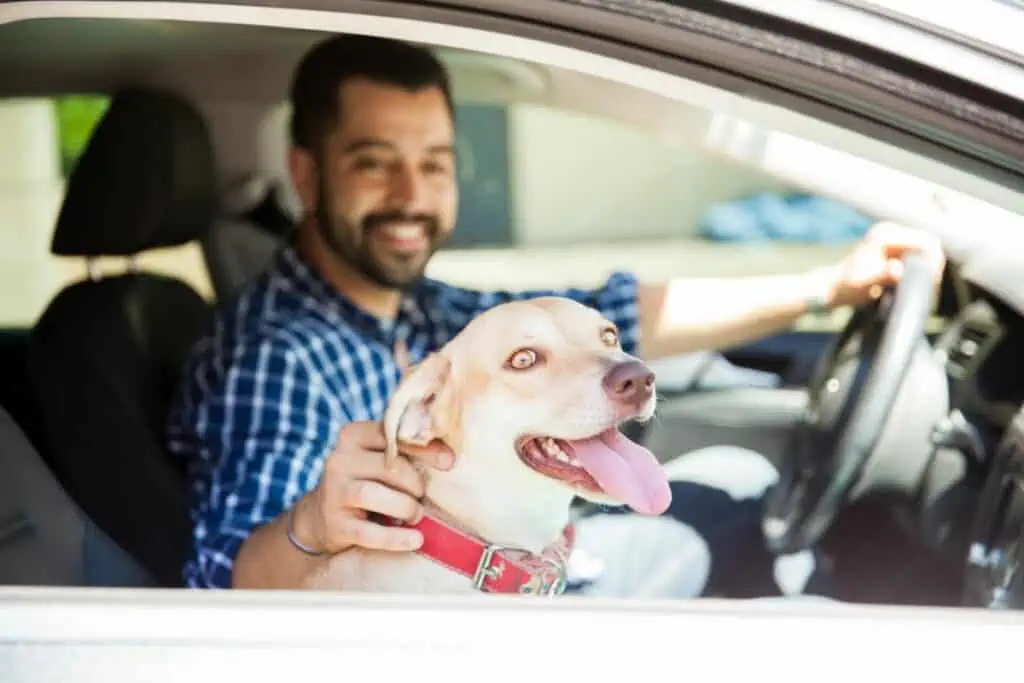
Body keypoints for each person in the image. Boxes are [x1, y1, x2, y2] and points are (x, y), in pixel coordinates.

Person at [165, 34, 944, 596]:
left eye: (433, 164)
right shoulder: (277, 354)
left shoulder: (419, 303)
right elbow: (225, 580)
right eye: (374, 162)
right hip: (444, 620)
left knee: (738, 480)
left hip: (514, 575)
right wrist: (311, 523)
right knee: (753, 532)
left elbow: (614, 316)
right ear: (307, 172)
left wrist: (822, 285)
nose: (411, 195)